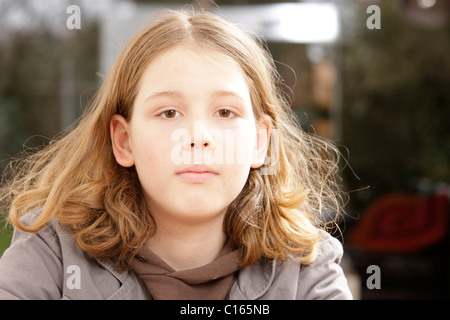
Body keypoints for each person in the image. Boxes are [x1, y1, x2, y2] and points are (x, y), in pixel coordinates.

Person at [0, 9, 352, 300]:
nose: (198, 137)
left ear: (260, 142)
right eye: (169, 113)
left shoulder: (309, 270)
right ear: (124, 141)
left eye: (225, 113)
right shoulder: (52, 252)